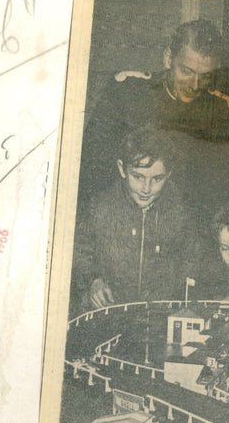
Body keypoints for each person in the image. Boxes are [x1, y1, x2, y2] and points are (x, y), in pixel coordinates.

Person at [78, 18, 229, 217]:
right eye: (186, 71)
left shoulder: (222, 112)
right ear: (168, 59)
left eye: (205, 76)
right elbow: (90, 171)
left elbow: (224, 193)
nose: (194, 86)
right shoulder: (128, 93)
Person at [70, 124, 196, 314]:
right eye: (138, 177)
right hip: (108, 314)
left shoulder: (181, 211)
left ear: (168, 175)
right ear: (122, 169)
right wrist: (93, 281)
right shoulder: (99, 207)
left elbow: (193, 261)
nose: (146, 188)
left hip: (159, 318)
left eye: (157, 179)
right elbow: (79, 251)